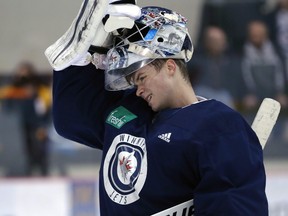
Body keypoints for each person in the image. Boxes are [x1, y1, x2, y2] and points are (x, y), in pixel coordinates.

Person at [46, 0, 268, 215]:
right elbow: (70, 120)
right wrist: (83, 56)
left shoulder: (220, 126)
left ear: (170, 66)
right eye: (133, 81)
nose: (138, 89)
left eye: (141, 77)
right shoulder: (129, 111)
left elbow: (233, 202)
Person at [188, 26, 243, 109]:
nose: (219, 43)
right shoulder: (197, 58)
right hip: (202, 91)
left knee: (225, 99)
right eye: (214, 40)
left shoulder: (232, 61)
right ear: (207, 42)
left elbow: (240, 81)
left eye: (221, 40)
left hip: (225, 94)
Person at [241, 20, 288, 111]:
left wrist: (280, 93)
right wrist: (248, 93)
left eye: (259, 33)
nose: (256, 36)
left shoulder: (277, 53)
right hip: (253, 94)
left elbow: (280, 76)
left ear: (265, 34)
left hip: (275, 93)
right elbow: (244, 77)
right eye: (253, 34)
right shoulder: (241, 54)